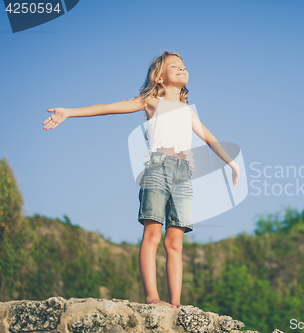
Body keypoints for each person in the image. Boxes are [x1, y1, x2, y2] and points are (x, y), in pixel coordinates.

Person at [42, 50, 240, 308]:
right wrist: (68, 112)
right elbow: (107, 108)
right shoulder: (150, 102)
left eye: (183, 66)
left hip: (184, 174)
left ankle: (176, 303)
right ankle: (152, 297)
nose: (182, 69)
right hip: (157, 168)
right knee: (152, 234)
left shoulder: (188, 111)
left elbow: (211, 140)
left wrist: (232, 164)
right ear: (159, 77)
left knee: (176, 241)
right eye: (174, 66)